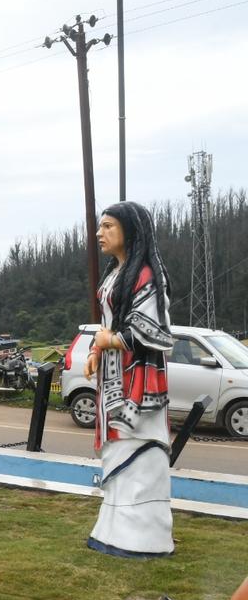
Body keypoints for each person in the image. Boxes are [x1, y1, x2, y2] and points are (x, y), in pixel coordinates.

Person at [84, 201, 175, 558]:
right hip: (112, 377)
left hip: (138, 379)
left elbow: (153, 331)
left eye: (107, 226)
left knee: (139, 452)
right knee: (118, 450)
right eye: (99, 227)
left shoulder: (147, 275)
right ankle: (114, 530)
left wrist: (111, 340)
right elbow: (109, 325)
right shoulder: (115, 273)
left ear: (129, 230)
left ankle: (143, 537)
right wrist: (96, 349)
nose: (100, 233)